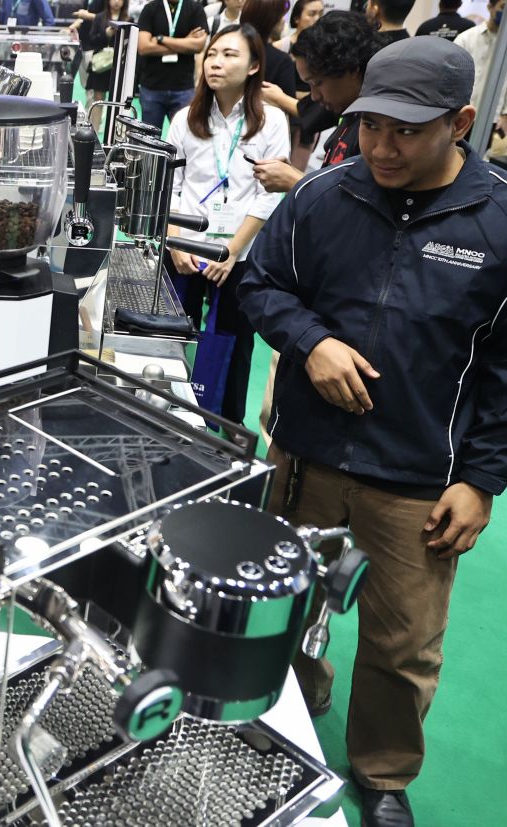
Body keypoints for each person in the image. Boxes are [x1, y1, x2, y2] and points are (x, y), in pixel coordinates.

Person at [239, 37, 502, 827]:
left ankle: (383, 773)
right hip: (307, 453)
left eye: (406, 131)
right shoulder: (323, 197)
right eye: (371, 125)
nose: (381, 147)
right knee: (283, 600)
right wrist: (310, 342)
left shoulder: (496, 226)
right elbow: (262, 282)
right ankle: (284, 707)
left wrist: (482, 477)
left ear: (459, 123)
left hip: (418, 475)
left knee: (403, 640)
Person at [165, 23, 288, 426]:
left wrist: (233, 250)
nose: (215, 62)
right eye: (212, 54)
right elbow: (172, 185)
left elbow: (268, 195)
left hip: (240, 251)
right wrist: (176, 243)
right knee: (171, 335)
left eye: (229, 55)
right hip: (187, 246)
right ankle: (167, 411)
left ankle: (227, 427)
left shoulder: (271, 123)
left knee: (235, 344)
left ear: (254, 66)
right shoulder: (185, 118)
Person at [253, 12, 383, 192]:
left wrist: (296, 180)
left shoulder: (376, 129)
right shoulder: (350, 114)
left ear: (351, 70)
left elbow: (355, 202)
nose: (314, 96)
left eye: (317, 83)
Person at [135, 0, 209, 130]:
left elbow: (198, 45)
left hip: (183, 88)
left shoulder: (195, 9)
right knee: (149, 140)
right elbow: (143, 47)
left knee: (184, 136)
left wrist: (161, 39)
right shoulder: (150, 8)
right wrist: (185, 43)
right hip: (152, 87)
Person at [454, 0, 507, 140]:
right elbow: (451, 77)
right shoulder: (466, 39)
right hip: (461, 114)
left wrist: (505, 113)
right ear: (490, 7)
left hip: (493, 118)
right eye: (503, 7)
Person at [71, 0, 128, 106]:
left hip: (120, 64)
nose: (116, 1)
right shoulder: (100, 17)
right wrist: (105, 34)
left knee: (119, 100)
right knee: (95, 98)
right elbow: (93, 38)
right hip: (99, 60)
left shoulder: (128, 20)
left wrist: (87, 15)